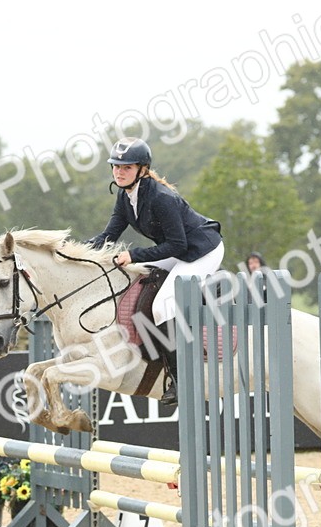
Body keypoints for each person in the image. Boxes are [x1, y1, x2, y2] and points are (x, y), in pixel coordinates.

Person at [88, 138, 225, 406]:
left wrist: (134, 254)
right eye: (116, 166)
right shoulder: (125, 197)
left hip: (202, 251)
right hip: (179, 252)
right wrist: (74, 253)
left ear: (142, 169)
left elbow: (178, 245)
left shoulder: (162, 198)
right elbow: (109, 235)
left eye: (127, 167)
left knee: (162, 306)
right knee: (139, 282)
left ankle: (180, 379)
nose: (119, 172)